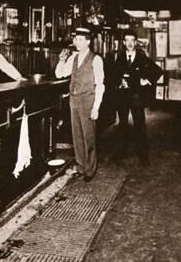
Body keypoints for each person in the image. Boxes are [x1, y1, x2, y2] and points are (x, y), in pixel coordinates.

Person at [55, 27, 105, 182]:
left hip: (88, 100)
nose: (77, 42)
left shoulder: (96, 59)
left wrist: (96, 107)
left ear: (88, 41)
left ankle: (90, 170)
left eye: (80, 39)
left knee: (88, 136)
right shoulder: (73, 58)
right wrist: (61, 61)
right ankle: (81, 166)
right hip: (74, 101)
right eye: (76, 39)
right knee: (76, 136)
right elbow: (60, 74)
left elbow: (100, 84)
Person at [113, 30, 163, 166]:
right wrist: (119, 82)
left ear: (136, 42)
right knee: (122, 125)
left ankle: (143, 156)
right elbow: (114, 74)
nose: (129, 43)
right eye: (127, 40)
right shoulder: (120, 57)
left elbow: (158, 71)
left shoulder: (142, 58)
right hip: (122, 98)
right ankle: (121, 152)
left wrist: (146, 80)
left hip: (137, 98)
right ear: (124, 43)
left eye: (132, 40)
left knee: (140, 127)